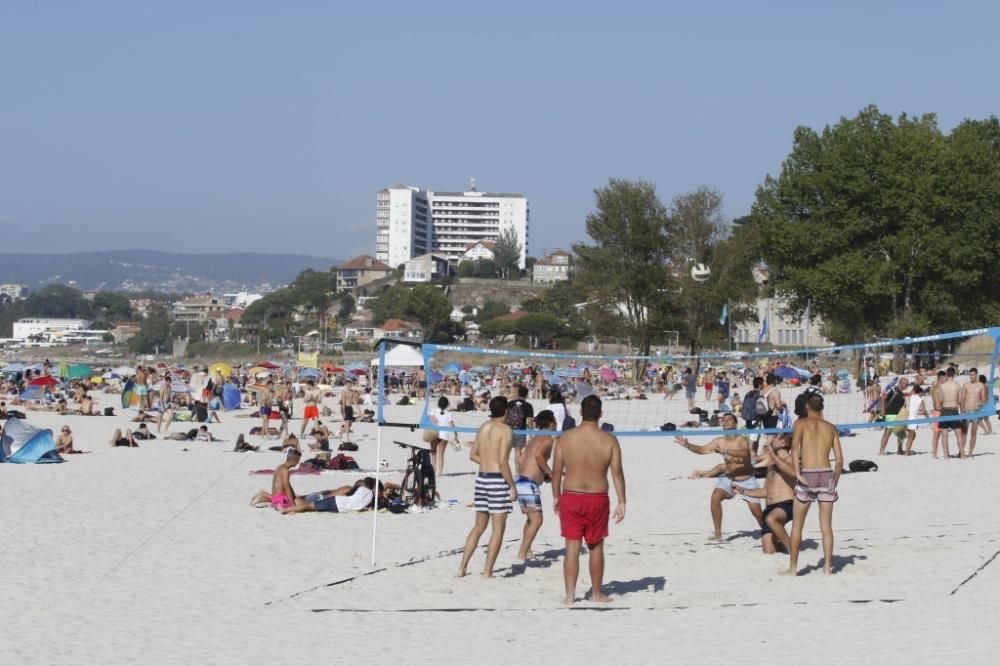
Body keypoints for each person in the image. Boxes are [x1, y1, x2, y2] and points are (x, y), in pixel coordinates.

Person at [552, 395, 625, 605]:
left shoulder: (565, 438)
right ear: (600, 414)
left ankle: (569, 596)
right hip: (597, 497)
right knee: (596, 548)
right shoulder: (609, 440)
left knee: (572, 548)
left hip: (571, 495)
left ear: (581, 413)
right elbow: (617, 473)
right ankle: (596, 593)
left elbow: (556, 471)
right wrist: (622, 501)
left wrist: (556, 496)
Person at [676, 412, 763, 539]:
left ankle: (768, 531)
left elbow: (745, 454)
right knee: (715, 497)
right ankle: (718, 533)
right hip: (729, 478)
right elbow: (702, 450)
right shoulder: (719, 441)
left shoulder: (742, 439)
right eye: (723, 420)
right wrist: (687, 445)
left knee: (757, 513)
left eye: (729, 419)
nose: (726, 421)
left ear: (736, 423)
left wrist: (727, 451)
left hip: (747, 480)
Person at [457, 396, 516, 579]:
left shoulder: (484, 427)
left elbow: (473, 455)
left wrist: (488, 463)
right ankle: (487, 572)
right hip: (497, 481)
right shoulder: (505, 430)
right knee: (498, 530)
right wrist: (512, 486)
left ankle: (462, 568)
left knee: (478, 527)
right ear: (505, 411)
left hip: (482, 480)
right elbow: (503, 462)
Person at [788, 394, 843, 576]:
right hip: (826, 474)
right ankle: (827, 568)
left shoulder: (800, 424)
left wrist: (797, 473)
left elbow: (794, 449)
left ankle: (793, 569)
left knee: (797, 525)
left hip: (808, 475)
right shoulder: (831, 428)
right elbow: (840, 461)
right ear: (822, 407)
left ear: (806, 406)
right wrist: (834, 480)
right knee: (826, 526)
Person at [733, 435, 796, 554]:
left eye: (782, 437)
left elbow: (794, 473)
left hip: (788, 504)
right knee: (768, 552)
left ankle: (792, 549)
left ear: (788, 442)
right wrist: (743, 490)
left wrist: (773, 456)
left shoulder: (792, 459)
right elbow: (766, 491)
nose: (779, 438)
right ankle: (781, 544)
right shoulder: (771, 464)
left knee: (771, 519)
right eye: (777, 437)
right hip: (770, 507)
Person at [515, 409, 556, 560]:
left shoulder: (533, 438)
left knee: (531, 519)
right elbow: (538, 456)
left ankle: (527, 550)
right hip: (528, 484)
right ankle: (521, 553)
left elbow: (521, 460)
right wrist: (549, 472)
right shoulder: (547, 439)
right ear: (552, 423)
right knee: (537, 520)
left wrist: (543, 475)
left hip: (522, 480)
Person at [282, 477, 378, 514]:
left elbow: (332, 491)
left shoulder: (347, 488)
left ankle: (284, 496)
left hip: (322, 494)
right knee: (303, 503)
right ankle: (279, 500)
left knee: (300, 498)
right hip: (323, 498)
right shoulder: (349, 494)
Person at [932, 367, 964, 458]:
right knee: (958, 434)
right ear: (954, 374)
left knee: (944, 435)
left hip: (945, 410)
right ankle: (963, 455)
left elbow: (941, 400)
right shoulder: (958, 386)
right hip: (954, 409)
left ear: (947, 374)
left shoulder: (942, 386)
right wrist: (961, 412)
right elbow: (960, 400)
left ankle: (946, 456)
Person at [430, 396, 460, 475]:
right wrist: (456, 435)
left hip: (434, 434)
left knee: (433, 453)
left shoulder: (433, 411)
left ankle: (433, 471)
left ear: (438, 404)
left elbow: (431, 421)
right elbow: (452, 425)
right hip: (444, 435)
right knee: (441, 454)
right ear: (446, 405)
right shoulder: (448, 413)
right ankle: (439, 472)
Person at [878, 378, 909, 455]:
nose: (906, 386)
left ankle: (900, 449)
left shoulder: (902, 394)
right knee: (887, 433)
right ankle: (881, 450)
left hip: (899, 416)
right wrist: (882, 414)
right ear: (901, 383)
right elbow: (883, 399)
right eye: (905, 384)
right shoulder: (893, 390)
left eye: (907, 384)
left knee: (901, 433)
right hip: (890, 414)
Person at [507, 385, 535, 464]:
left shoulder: (510, 403)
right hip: (521, 431)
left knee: (506, 452)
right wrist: (530, 435)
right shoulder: (528, 406)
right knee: (518, 452)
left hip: (509, 430)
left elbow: (506, 416)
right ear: (526, 395)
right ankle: (517, 473)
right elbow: (530, 421)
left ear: (518, 393)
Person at [960, 369, 984, 457]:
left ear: (976, 375)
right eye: (970, 375)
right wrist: (962, 410)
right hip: (966, 411)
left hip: (975, 412)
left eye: (973, 375)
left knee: (973, 434)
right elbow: (962, 399)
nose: (971, 377)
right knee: (964, 434)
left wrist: (980, 406)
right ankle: (962, 452)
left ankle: (970, 453)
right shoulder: (966, 385)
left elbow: (984, 399)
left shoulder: (981, 386)